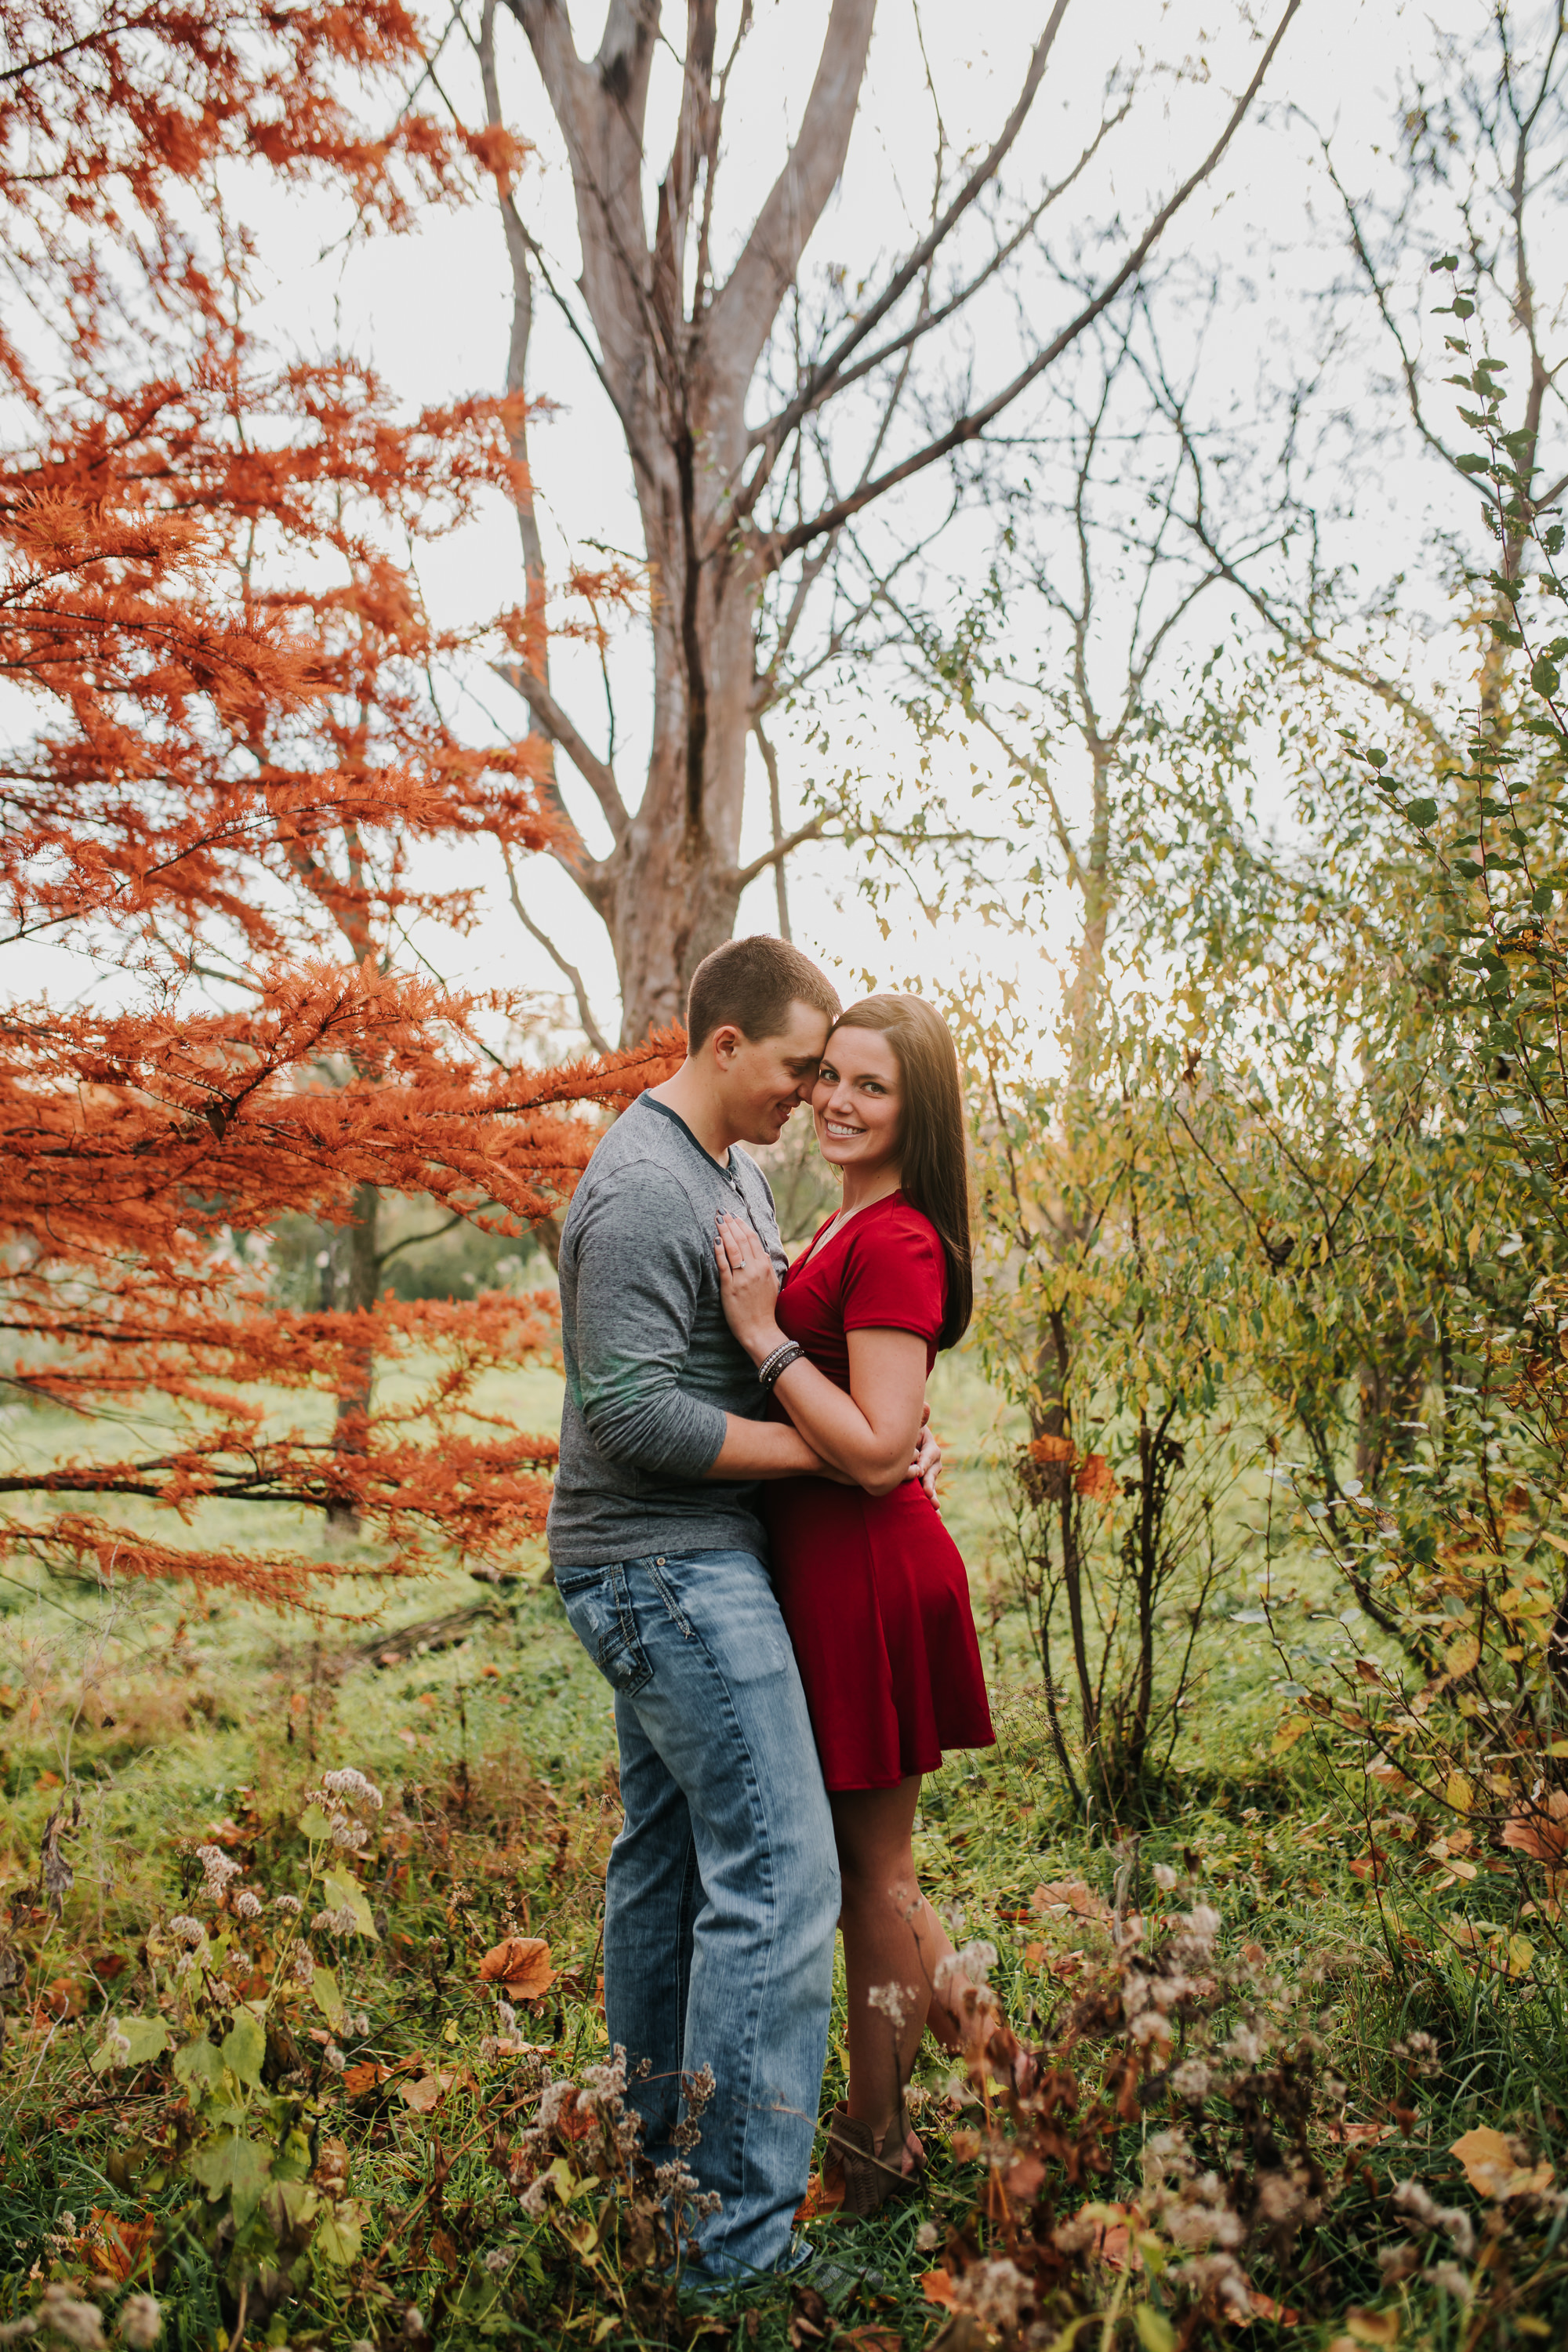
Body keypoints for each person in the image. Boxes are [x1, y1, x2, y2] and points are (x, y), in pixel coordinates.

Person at [547, 938, 941, 2279]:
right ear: (724, 1049)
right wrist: (839, 1456)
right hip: (661, 1564)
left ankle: (652, 2169)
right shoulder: (644, 1189)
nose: (808, 1093)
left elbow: (787, 1350)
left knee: (668, 1864)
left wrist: (869, 1428)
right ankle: (734, 2251)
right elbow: (632, 1411)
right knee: (781, 1881)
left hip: (700, 1557)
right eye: (795, 1068)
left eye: (833, 1073)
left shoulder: (731, 1167)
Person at [713, 993, 1000, 2216]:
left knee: (872, 1879)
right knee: (865, 1872)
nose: (835, 1099)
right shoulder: (846, 1219)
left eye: (870, 1087)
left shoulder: (900, 1242)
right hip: (833, 1570)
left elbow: (882, 1446)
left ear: (913, 1108)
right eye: (828, 1075)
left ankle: (878, 2154)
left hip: (872, 1573)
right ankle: (1014, 2084)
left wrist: (759, 1335)